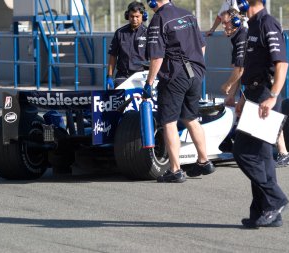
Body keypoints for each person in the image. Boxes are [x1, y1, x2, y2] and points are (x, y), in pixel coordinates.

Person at [144, 0, 216, 183]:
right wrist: (196, 68)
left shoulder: (159, 18)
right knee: (191, 117)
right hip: (196, 74)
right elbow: (202, 45)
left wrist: (149, 82)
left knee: (168, 122)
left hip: (175, 75)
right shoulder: (188, 14)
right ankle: (204, 161)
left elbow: (157, 55)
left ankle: (175, 170)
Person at [232, 0, 289, 228]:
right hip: (254, 94)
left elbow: (281, 64)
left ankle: (275, 200)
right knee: (262, 158)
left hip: (265, 96)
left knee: (243, 152)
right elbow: (252, 68)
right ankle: (265, 212)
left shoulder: (267, 23)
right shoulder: (252, 25)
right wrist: (243, 98)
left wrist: (273, 95)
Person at [106, 1, 148, 89]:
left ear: (143, 16)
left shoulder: (149, 33)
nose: (134, 19)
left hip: (141, 77)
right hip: (122, 76)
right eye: (132, 16)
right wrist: (109, 76)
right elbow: (113, 56)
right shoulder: (119, 32)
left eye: (137, 16)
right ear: (127, 16)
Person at [219, 9, 247, 106]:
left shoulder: (242, 36)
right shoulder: (237, 37)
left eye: (225, 23)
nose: (223, 26)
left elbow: (239, 70)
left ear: (236, 21)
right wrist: (230, 96)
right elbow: (237, 71)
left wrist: (228, 84)